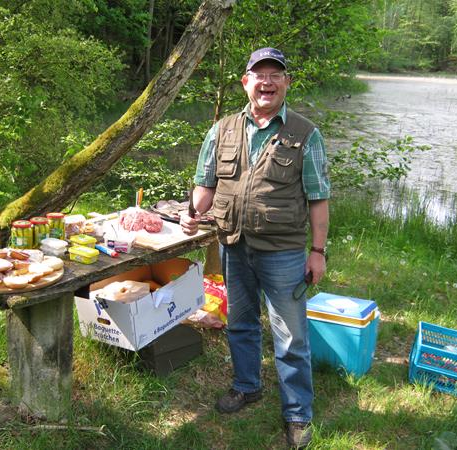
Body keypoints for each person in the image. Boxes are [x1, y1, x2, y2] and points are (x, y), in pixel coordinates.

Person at [180, 47, 330, 449]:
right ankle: (246, 386)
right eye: (259, 75)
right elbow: (205, 184)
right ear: (246, 82)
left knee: (290, 336)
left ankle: (297, 413)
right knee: (241, 323)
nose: (267, 82)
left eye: (275, 75)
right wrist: (193, 212)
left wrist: (317, 251)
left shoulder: (305, 133)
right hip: (233, 244)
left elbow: (318, 197)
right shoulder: (222, 129)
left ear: (286, 83)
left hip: (282, 251)